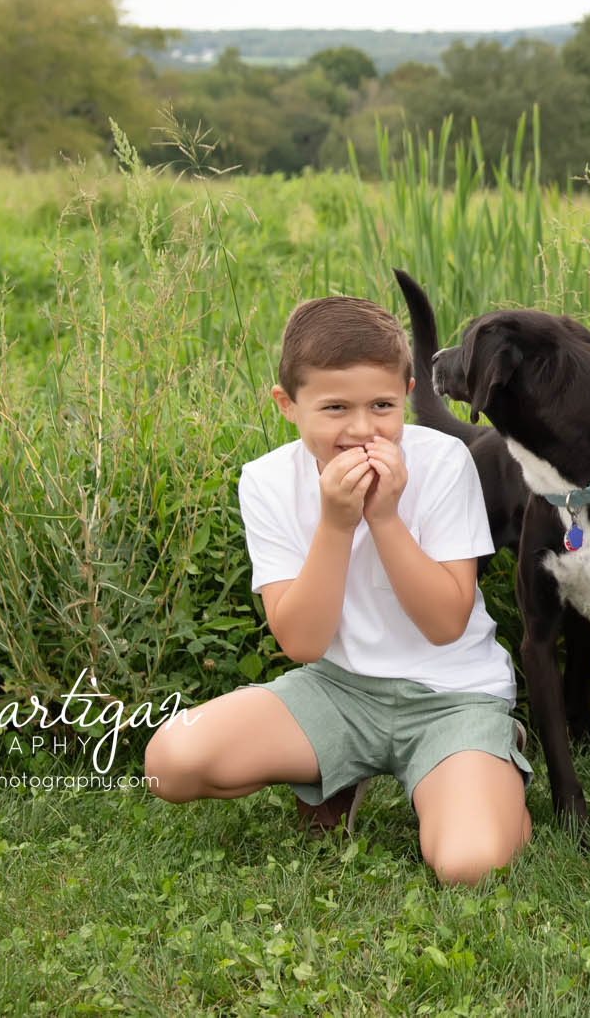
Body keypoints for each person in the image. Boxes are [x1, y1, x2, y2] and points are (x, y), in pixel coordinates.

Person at [143, 295, 532, 885]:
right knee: (170, 762)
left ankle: (483, 764)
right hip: (338, 690)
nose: (360, 429)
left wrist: (385, 518)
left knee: (470, 864)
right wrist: (335, 524)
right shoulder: (267, 482)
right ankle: (338, 770)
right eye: (333, 408)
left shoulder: (446, 460)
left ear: (407, 391)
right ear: (288, 406)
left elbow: (446, 623)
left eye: (382, 405)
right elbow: (301, 642)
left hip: (454, 697)